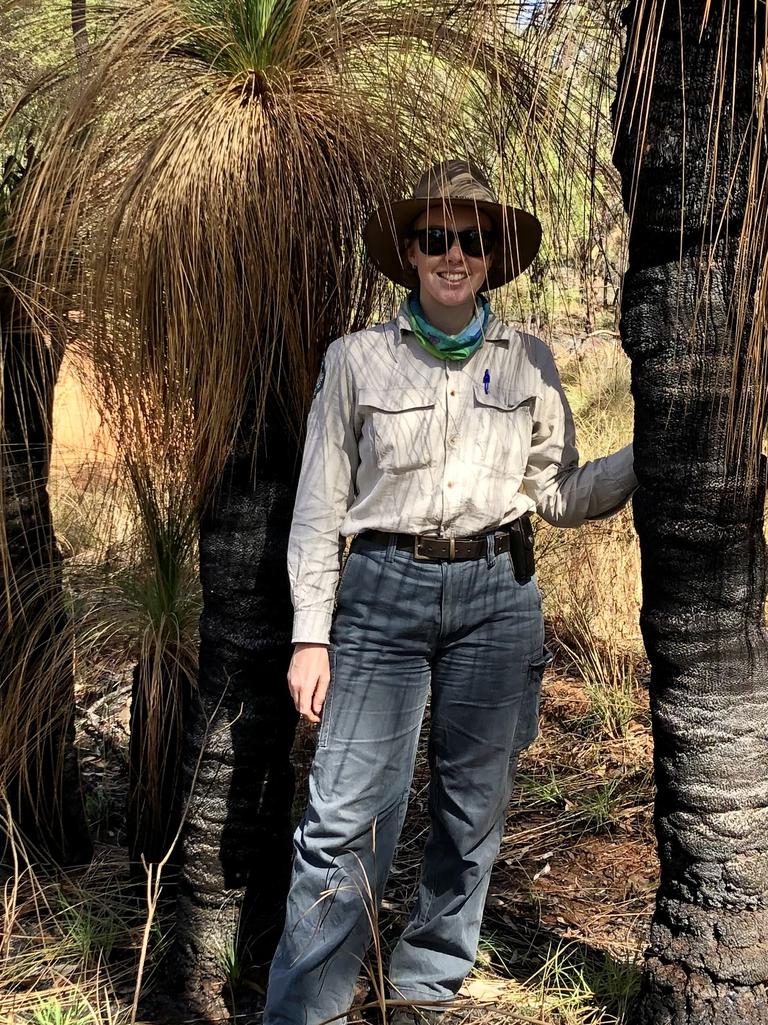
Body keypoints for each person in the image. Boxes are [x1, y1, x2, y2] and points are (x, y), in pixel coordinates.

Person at [263, 159, 636, 1025]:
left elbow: (559, 492)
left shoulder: (530, 360)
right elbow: (319, 507)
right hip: (381, 595)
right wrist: (309, 632)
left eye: (471, 239)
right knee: (344, 819)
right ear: (411, 252)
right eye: (437, 237)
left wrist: (659, 449)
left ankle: (423, 989)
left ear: (493, 255)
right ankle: (305, 1010)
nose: (454, 253)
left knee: (473, 813)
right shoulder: (356, 361)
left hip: (499, 597)